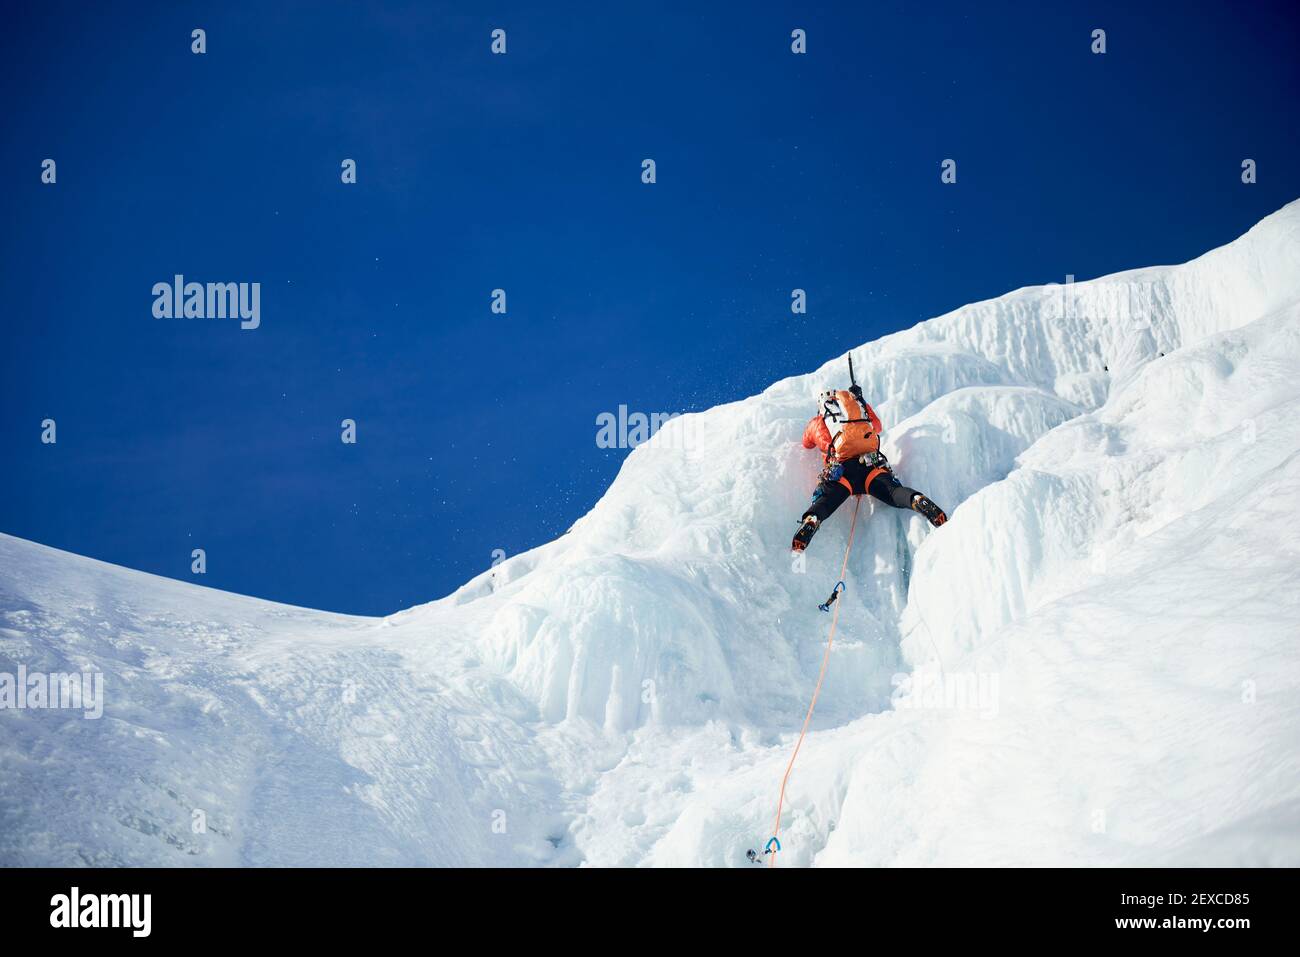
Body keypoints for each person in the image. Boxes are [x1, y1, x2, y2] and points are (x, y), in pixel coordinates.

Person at [792, 383, 947, 552]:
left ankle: (812, 519)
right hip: (870, 466)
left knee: (827, 501)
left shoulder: (819, 422)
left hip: (842, 472)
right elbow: (877, 427)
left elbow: (806, 443)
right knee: (894, 493)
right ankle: (916, 500)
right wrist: (861, 401)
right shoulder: (857, 411)